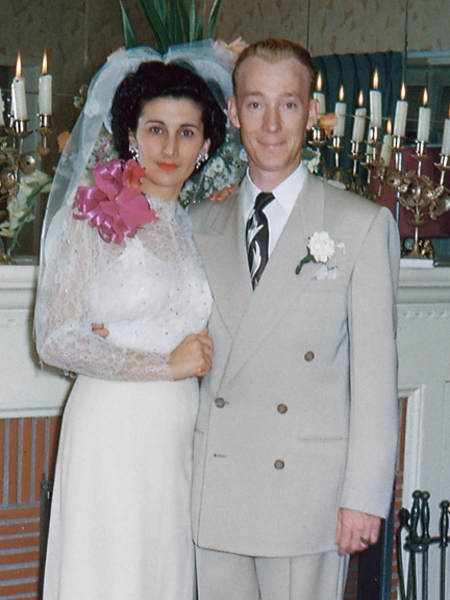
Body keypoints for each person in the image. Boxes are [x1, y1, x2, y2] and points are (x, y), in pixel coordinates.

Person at [189, 38, 400, 600]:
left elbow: (376, 379)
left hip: (306, 496)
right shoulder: (197, 225)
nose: (272, 123)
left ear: (312, 111)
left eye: (289, 103)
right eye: (255, 104)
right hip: (215, 490)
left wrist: (364, 497)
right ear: (233, 113)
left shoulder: (360, 225)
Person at [34, 44, 231, 600]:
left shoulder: (197, 225)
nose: (170, 147)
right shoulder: (93, 214)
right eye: (155, 129)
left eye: (187, 132)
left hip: (176, 434)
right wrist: (164, 365)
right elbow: (54, 337)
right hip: (113, 429)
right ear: (129, 135)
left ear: (208, 144)